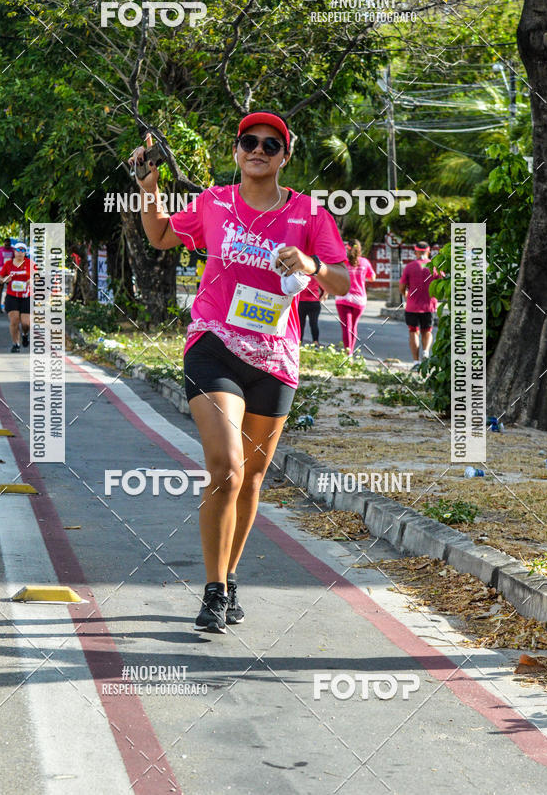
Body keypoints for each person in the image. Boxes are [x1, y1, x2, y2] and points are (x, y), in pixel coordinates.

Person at [130, 110, 349, 633]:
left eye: (270, 144)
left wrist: (312, 265)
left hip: (275, 358)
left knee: (251, 480)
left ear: (284, 156)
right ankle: (211, 590)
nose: (258, 149)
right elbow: (160, 235)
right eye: (249, 141)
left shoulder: (309, 214)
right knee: (226, 466)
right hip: (215, 345)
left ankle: (229, 579)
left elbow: (340, 280)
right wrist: (148, 186)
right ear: (236, 151)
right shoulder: (214, 203)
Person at [399, 241, 440, 369]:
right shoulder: (433, 266)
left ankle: (416, 362)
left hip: (412, 306)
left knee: (413, 332)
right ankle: (426, 353)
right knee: (427, 331)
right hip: (429, 305)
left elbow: (402, 286)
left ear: (416, 252)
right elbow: (441, 283)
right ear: (428, 252)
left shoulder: (410, 266)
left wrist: (406, 294)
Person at [335, 239, 375, 356]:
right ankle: (350, 353)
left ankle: (349, 355)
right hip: (359, 299)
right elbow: (372, 278)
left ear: (347, 248)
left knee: (346, 327)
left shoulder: (342, 262)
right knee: (353, 327)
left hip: (343, 296)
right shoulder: (365, 262)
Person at [0, 243, 35, 353]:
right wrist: (5, 280)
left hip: (26, 296)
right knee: (14, 321)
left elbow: (37, 278)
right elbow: (0, 278)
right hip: (12, 296)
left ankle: (25, 334)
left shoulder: (30, 264)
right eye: (18, 250)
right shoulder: (8, 264)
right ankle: (16, 344)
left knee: (25, 323)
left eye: (22, 250)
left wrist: (31, 281)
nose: (20, 252)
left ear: (25, 253)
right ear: (14, 252)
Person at [298, 275, 326, 344]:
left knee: (301, 324)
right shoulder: (316, 276)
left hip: (302, 302)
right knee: (313, 323)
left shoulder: (301, 274)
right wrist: (321, 298)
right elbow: (324, 289)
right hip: (314, 302)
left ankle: (299, 342)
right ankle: (315, 342)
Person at [0, 238, 14, 314]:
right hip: (0, 272)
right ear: (4, 243)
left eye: (9, 245)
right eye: (6, 244)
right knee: (0, 289)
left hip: (9, 273)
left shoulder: (13, 250)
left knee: (10, 290)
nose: (7, 246)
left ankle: (7, 305)